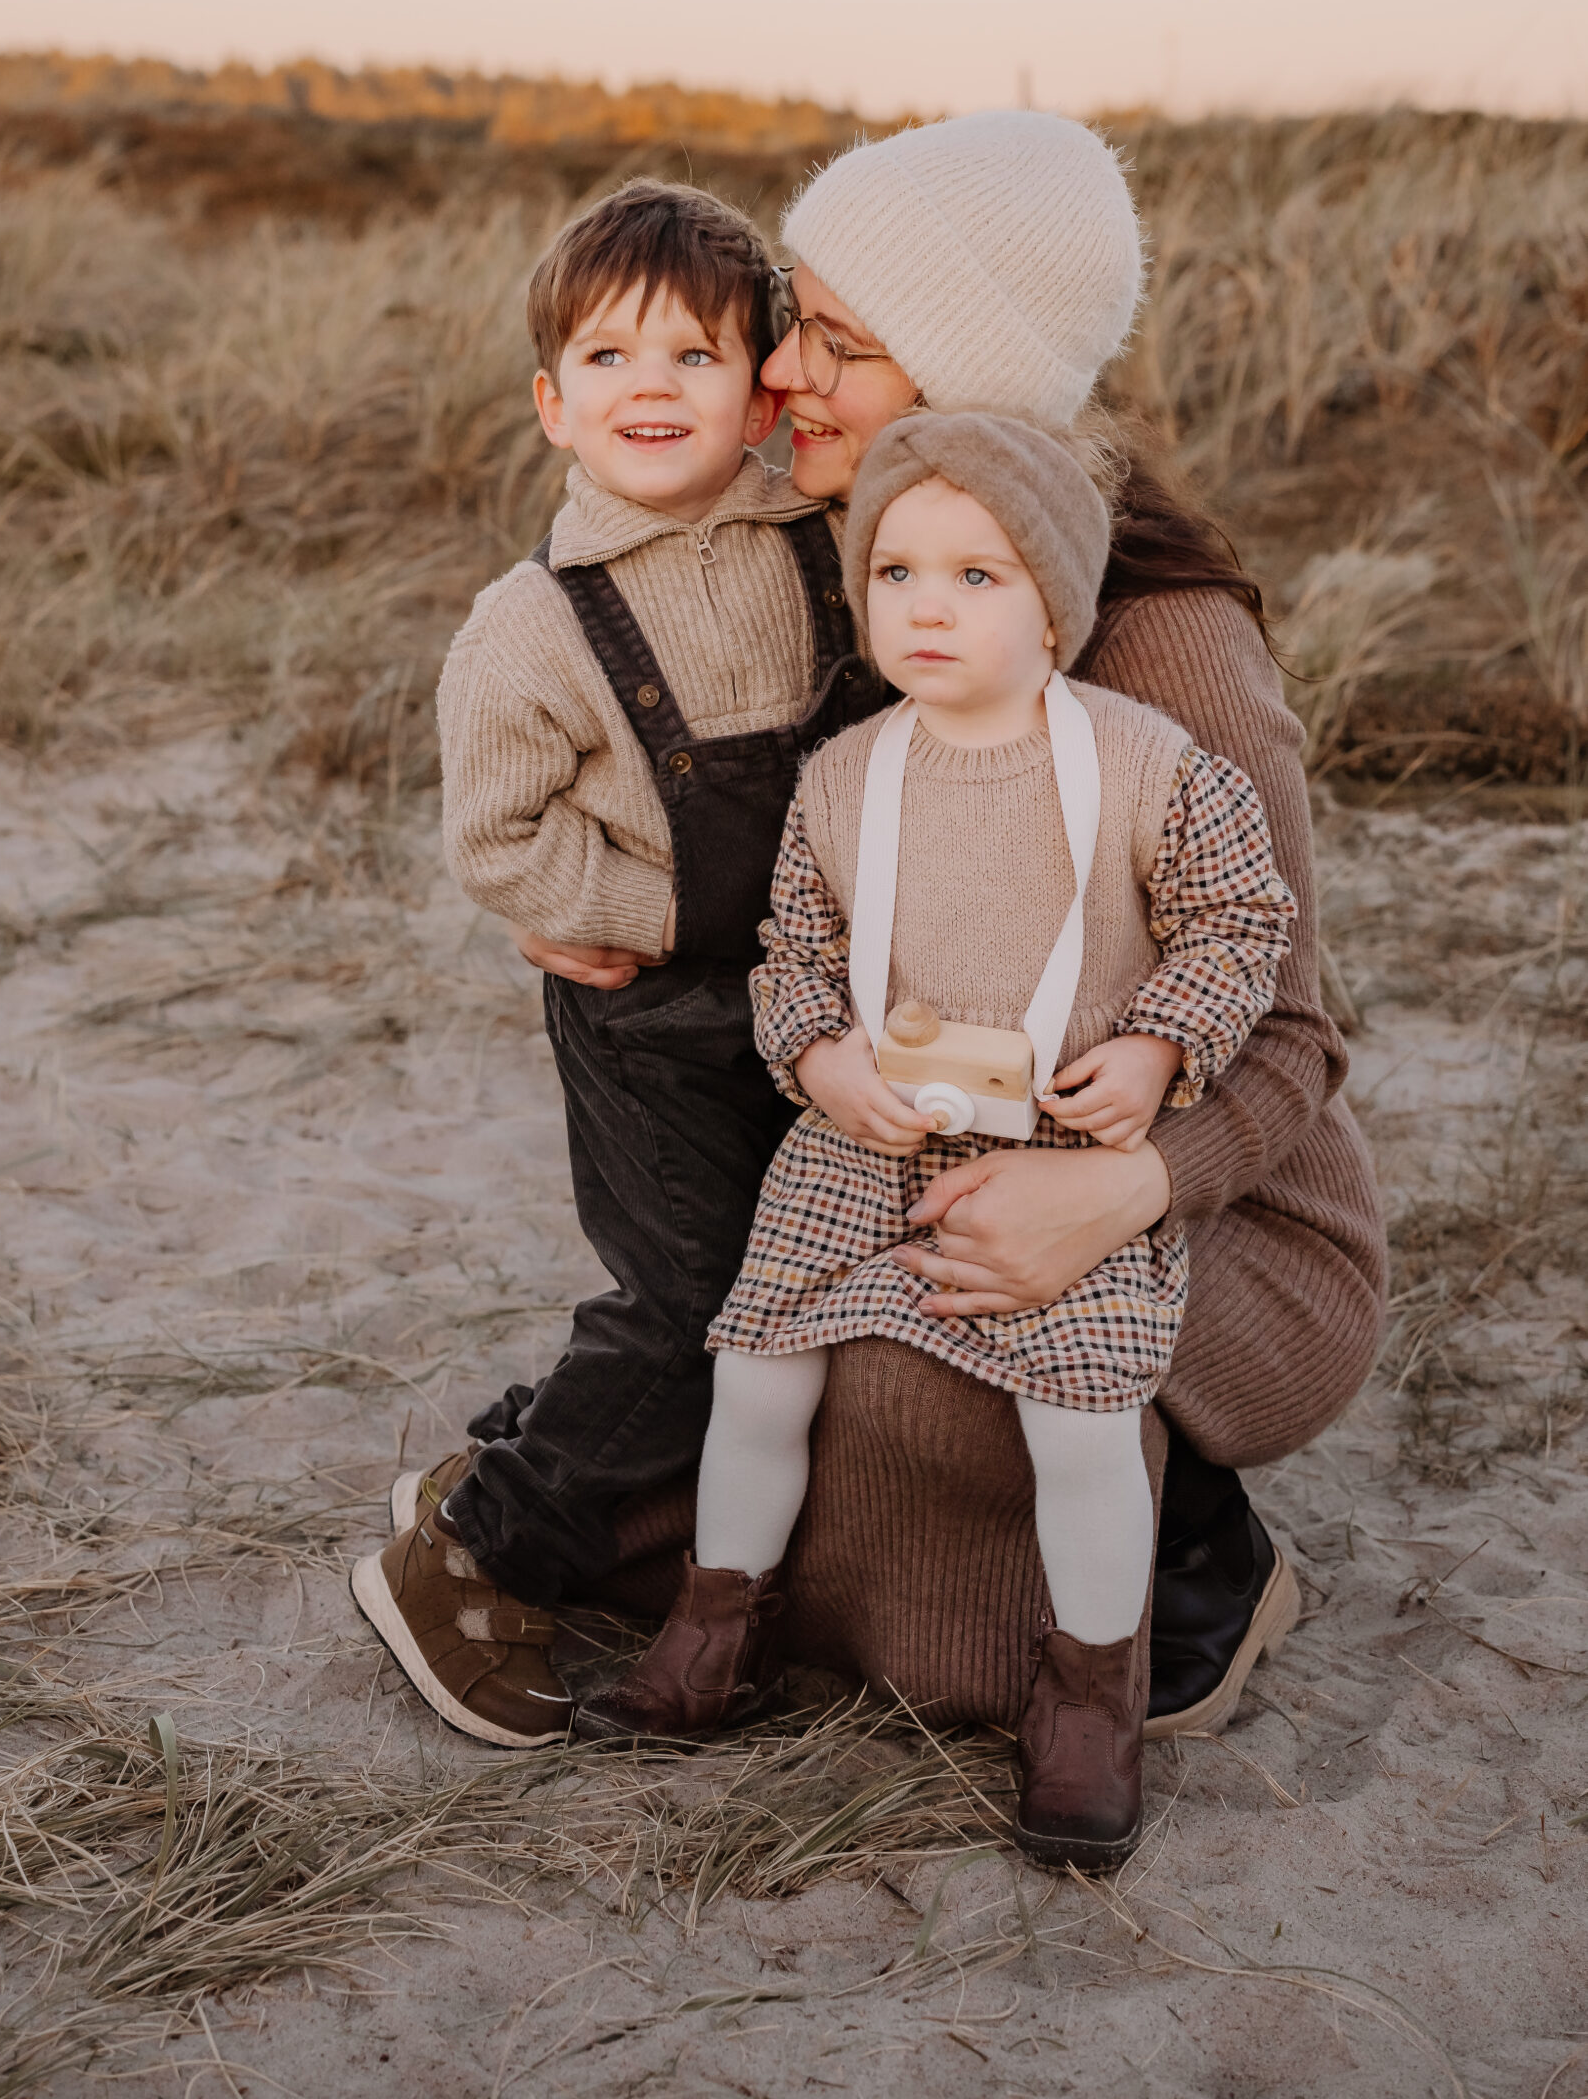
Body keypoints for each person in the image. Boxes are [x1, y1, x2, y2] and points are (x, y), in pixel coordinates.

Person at [552, 112, 1386, 1739]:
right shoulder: (859, 560)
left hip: (1207, 1204)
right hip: (921, 1137)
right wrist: (582, 904)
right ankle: (662, 1510)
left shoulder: (1163, 642)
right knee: (762, 1359)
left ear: (967, 384)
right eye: (789, 318)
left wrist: (1117, 1192)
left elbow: (1289, 1030)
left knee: (921, 1443)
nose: (777, 369)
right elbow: (796, 873)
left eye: (837, 342)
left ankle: (1196, 1548)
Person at [578, 413, 1296, 1868]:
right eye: (896, 572)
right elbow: (796, 949)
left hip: (1058, 1155)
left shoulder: (1145, 764)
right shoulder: (848, 776)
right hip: (866, 1142)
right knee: (758, 1375)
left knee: (1080, 1421)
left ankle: (1089, 1693)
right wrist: (820, 1057)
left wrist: (1158, 1046)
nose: (927, 606)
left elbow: (1242, 923)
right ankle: (719, 1629)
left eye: (978, 576)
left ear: (1057, 605)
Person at [349, 177, 888, 1747]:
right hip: (648, 1015)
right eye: (607, 358)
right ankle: (477, 1553)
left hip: (816, 1007)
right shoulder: (532, 624)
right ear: (552, 405)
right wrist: (654, 908)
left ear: (762, 396)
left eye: (694, 357)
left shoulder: (829, 546)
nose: (651, 388)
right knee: (696, 1300)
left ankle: (517, 1452)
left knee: (794, 1291)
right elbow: (499, 841)